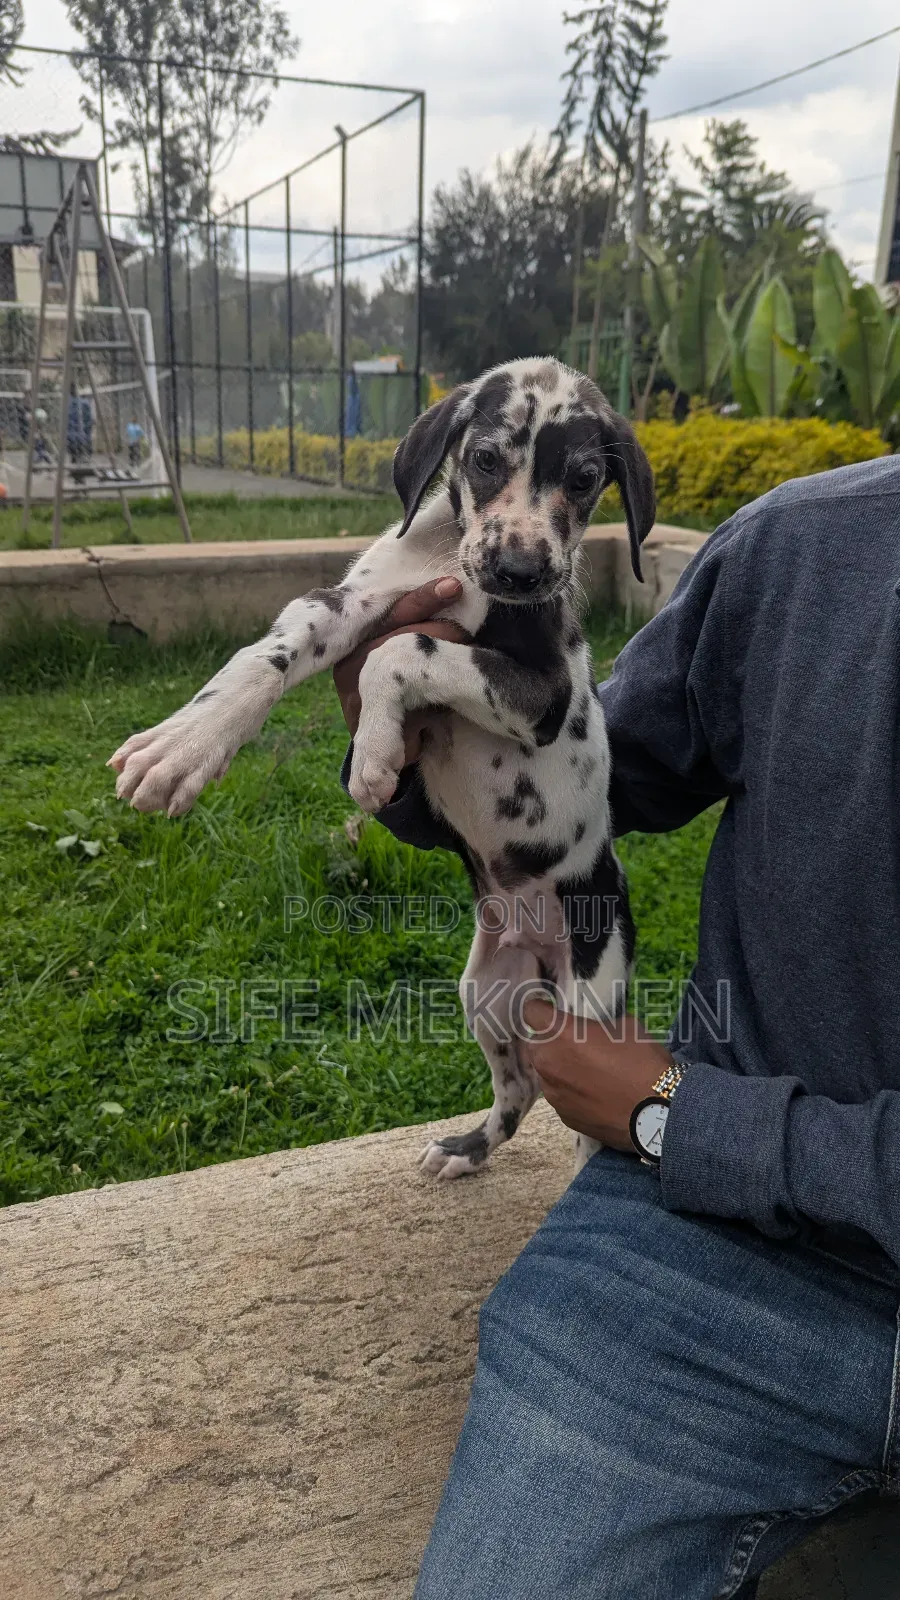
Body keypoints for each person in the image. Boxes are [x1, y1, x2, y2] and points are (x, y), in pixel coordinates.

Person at [333, 454, 900, 1599]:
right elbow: (588, 763)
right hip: (730, 1247)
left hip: (712, 1155)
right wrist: (408, 729)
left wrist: (674, 1115)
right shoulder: (807, 548)